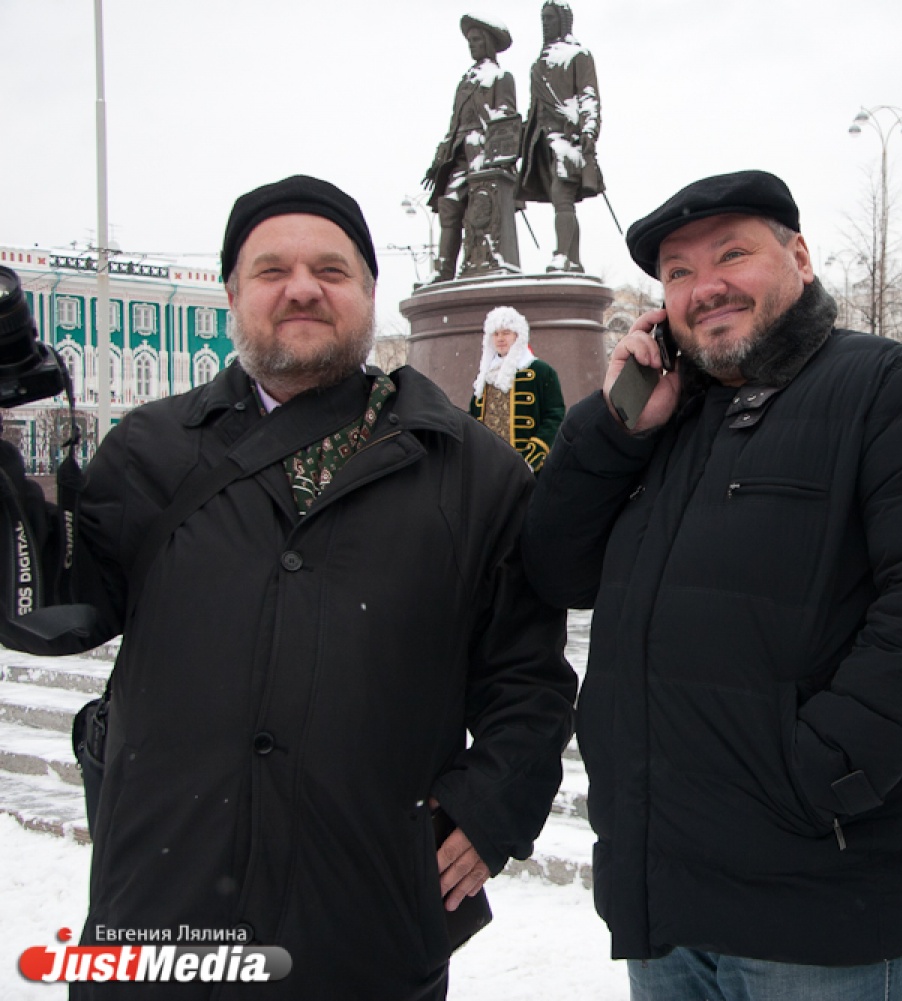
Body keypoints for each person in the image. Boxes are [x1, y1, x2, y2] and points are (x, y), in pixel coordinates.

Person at [0, 175, 577, 999]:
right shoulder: (151, 450)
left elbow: (527, 676)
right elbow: (49, 610)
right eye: (271, 270)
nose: (302, 288)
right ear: (233, 295)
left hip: (363, 930)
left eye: (331, 270)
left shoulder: (472, 471)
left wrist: (495, 806)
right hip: (163, 918)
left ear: (369, 293)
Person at [521, 170, 902, 1001]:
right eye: (678, 272)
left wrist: (822, 774)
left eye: (732, 255)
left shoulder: (886, 388)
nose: (705, 286)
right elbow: (555, 568)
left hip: (815, 902)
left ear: (800, 259)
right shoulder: (658, 421)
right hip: (663, 899)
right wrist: (615, 425)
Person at [423, 14, 522, 280]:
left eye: (477, 40)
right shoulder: (465, 80)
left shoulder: (500, 77)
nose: (472, 45)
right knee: (449, 205)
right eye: (470, 41)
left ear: (488, 42)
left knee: (482, 208)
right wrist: (438, 159)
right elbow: (454, 123)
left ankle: (485, 261)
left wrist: (494, 151)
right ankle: (444, 269)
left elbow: (507, 117)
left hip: (483, 153)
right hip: (458, 154)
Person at [515, 1, 604, 274]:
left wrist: (589, 130)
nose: (545, 24)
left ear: (563, 21)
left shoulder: (578, 55)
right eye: (543, 19)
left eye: (550, 19)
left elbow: (588, 97)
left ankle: (564, 255)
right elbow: (533, 108)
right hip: (541, 141)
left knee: (562, 195)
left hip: (567, 138)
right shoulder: (538, 64)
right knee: (560, 200)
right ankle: (571, 259)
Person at [469, 305, 565, 471]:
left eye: (506, 333)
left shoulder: (540, 371)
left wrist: (532, 457)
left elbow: (554, 416)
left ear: (517, 335)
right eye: (496, 334)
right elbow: (473, 418)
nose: (500, 338)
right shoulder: (486, 376)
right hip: (489, 465)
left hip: (527, 467)